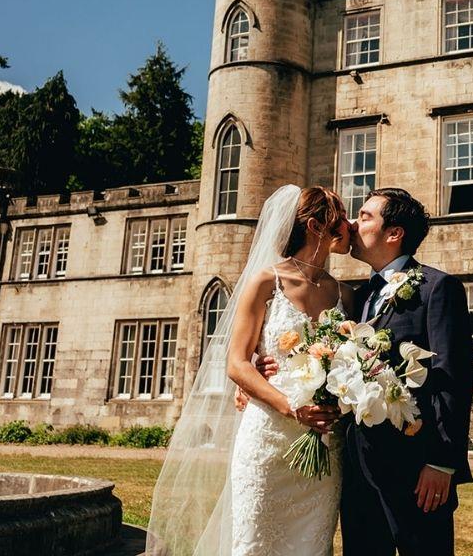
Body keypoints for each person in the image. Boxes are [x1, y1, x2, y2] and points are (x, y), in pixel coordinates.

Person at [247, 186, 473, 556]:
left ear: (394, 233)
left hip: (417, 471)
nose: (352, 223)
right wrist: (263, 367)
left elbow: (453, 379)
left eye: (365, 216)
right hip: (357, 470)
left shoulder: (437, 288)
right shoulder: (358, 296)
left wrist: (441, 463)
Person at [146, 185, 355, 556]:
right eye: (340, 216)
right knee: (255, 544)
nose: (349, 224)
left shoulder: (345, 295)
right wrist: (291, 406)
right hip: (267, 442)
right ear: (315, 225)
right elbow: (237, 363)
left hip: (323, 446)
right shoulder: (265, 282)